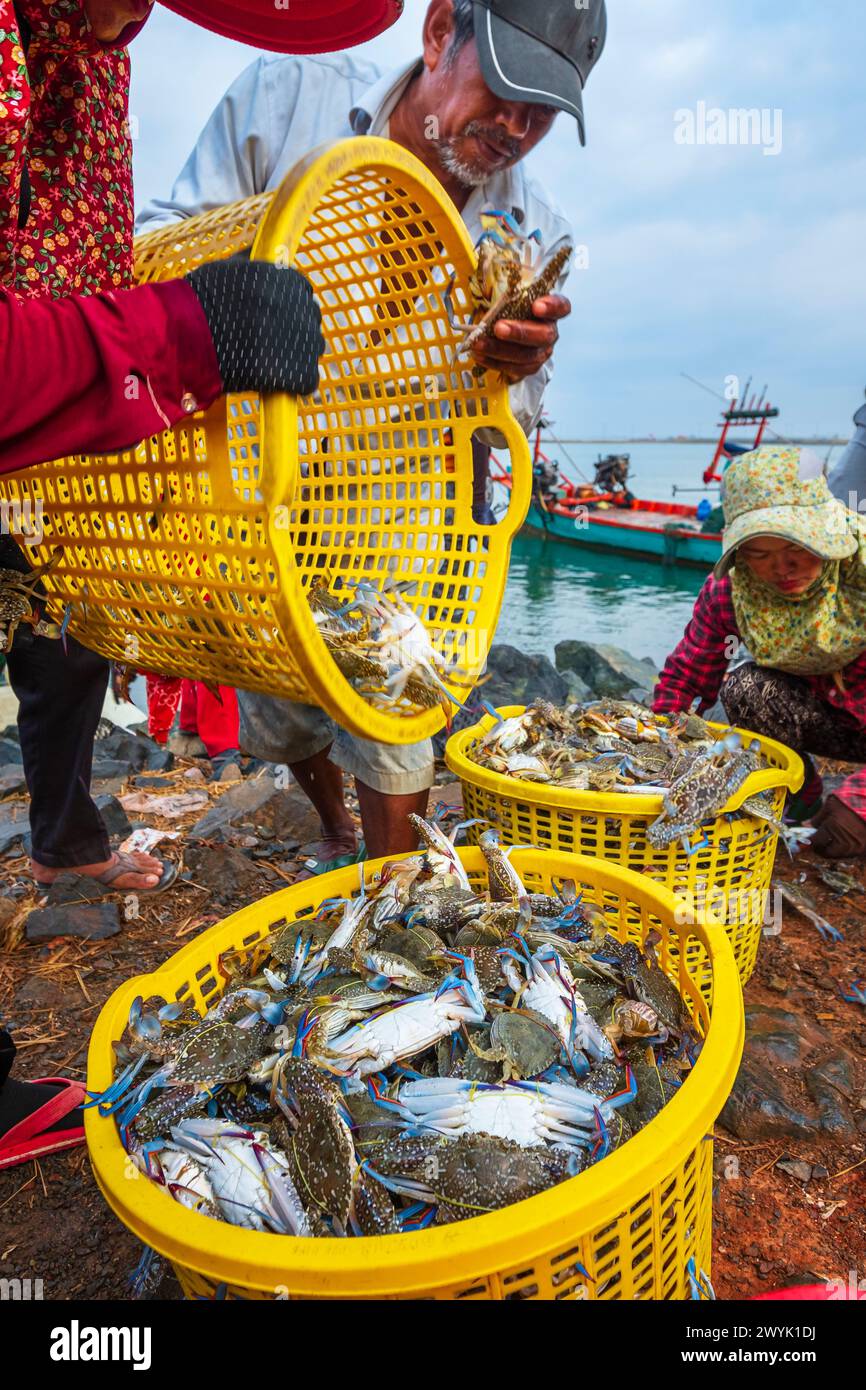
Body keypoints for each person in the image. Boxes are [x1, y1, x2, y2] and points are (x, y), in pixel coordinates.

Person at [0, 0, 397, 1172]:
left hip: (63, 463)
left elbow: (75, 289)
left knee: (59, 631)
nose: (135, 18)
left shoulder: (86, 55)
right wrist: (180, 330)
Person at [139, 0, 608, 866]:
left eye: (541, 111)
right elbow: (158, 242)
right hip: (255, 452)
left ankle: (395, 895)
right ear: (439, 34)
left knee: (395, 690)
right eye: (503, 89)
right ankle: (331, 825)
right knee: (276, 698)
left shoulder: (536, 228)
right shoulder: (287, 98)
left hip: (394, 480)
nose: (513, 126)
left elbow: (514, 419)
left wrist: (516, 365)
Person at [653, 445, 866, 858]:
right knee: (746, 688)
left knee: (850, 834)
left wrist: (858, 804)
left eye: (797, 550)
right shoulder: (732, 592)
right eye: (760, 555)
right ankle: (797, 793)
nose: (781, 569)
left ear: (825, 535)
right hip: (835, 721)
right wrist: (660, 752)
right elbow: (687, 680)